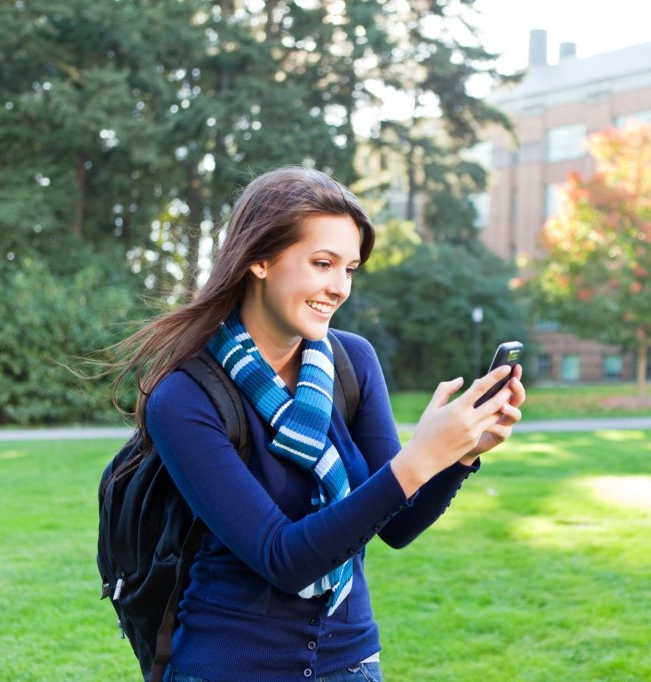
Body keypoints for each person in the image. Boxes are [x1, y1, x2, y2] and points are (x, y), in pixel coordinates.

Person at [110, 166, 524, 682]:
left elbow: (397, 525)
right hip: (230, 668)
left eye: (349, 269)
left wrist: (459, 455)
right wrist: (419, 458)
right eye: (323, 263)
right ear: (259, 259)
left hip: (352, 664)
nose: (339, 287)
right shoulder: (184, 396)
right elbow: (282, 558)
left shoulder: (353, 362)